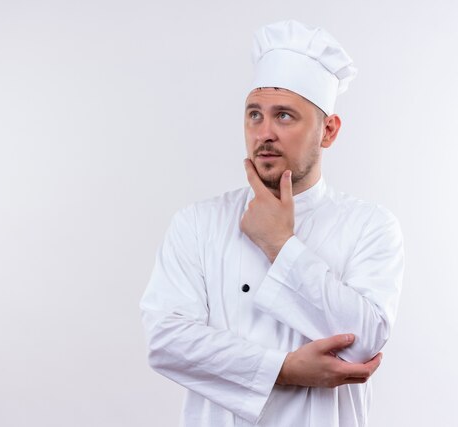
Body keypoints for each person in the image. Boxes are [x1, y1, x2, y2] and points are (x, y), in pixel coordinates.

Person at [140, 20, 404, 427]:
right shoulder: (197, 223)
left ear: (328, 131)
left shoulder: (369, 226)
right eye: (254, 115)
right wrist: (282, 369)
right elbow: (166, 341)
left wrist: (281, 244)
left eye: (284, 116)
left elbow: (363, 343)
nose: (264, 133)